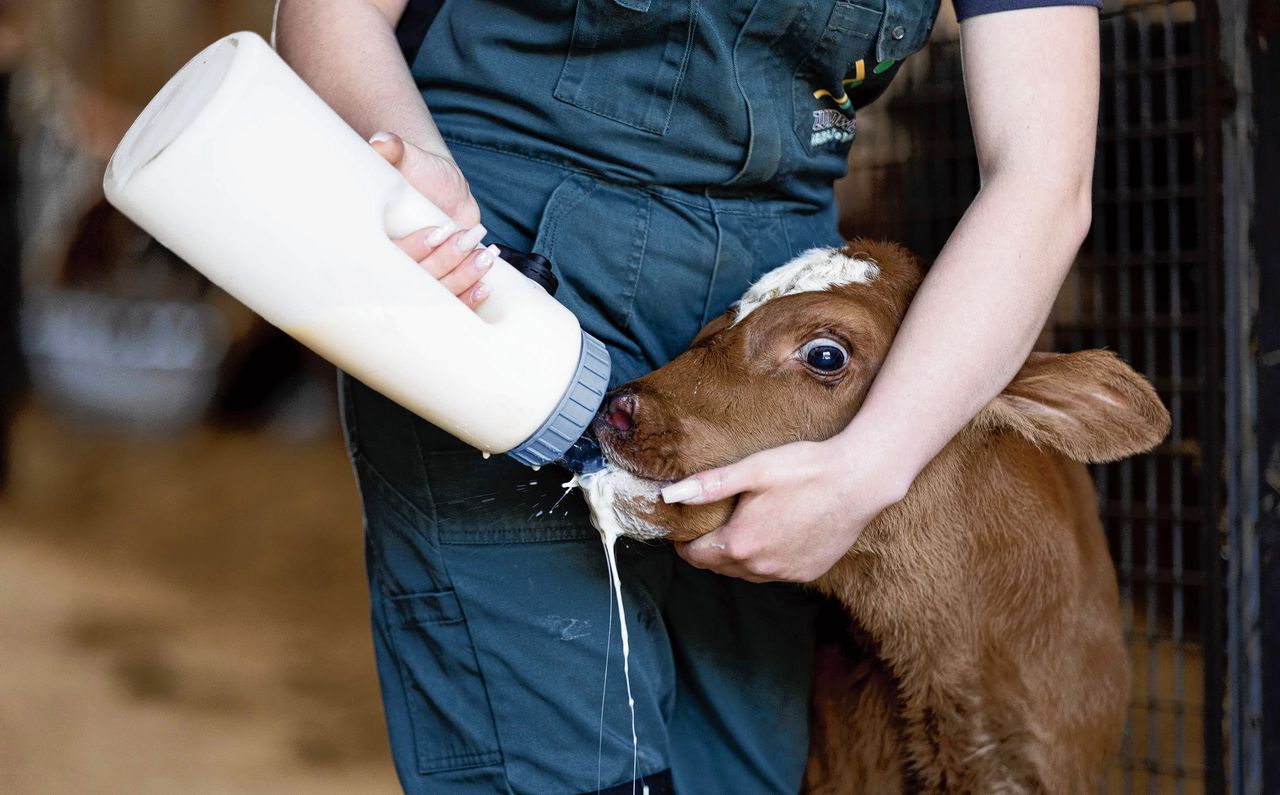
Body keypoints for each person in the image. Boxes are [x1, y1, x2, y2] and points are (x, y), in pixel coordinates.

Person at [277, 0, 1101, 791]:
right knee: (557, 753)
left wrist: (868, 462)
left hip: (766, 319)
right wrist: (401, 161)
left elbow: (1042, 175)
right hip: (502, 272)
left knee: (747, 766)